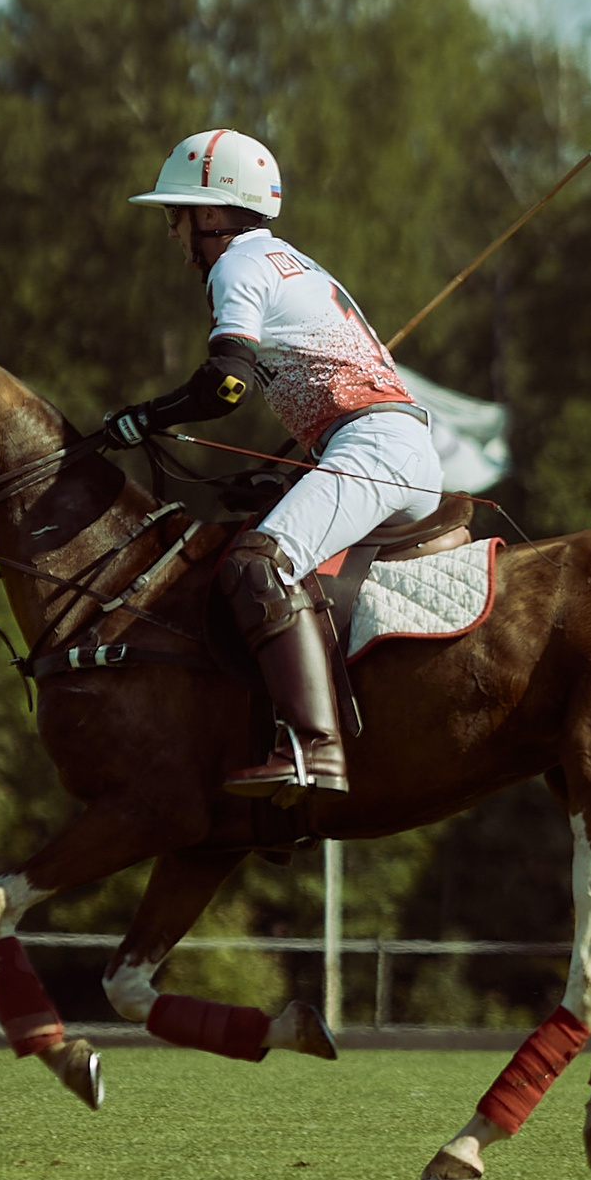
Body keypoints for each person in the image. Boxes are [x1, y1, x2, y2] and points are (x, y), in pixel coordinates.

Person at [103, 129, 444, 797]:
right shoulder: (294, 262)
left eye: (175, 215)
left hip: (374, 449)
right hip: (382, 448)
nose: (172, 234)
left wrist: (147, 415)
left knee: (257, 564)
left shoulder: (237, 266)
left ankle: (313, 749)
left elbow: (225, 383)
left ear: (209, 213)